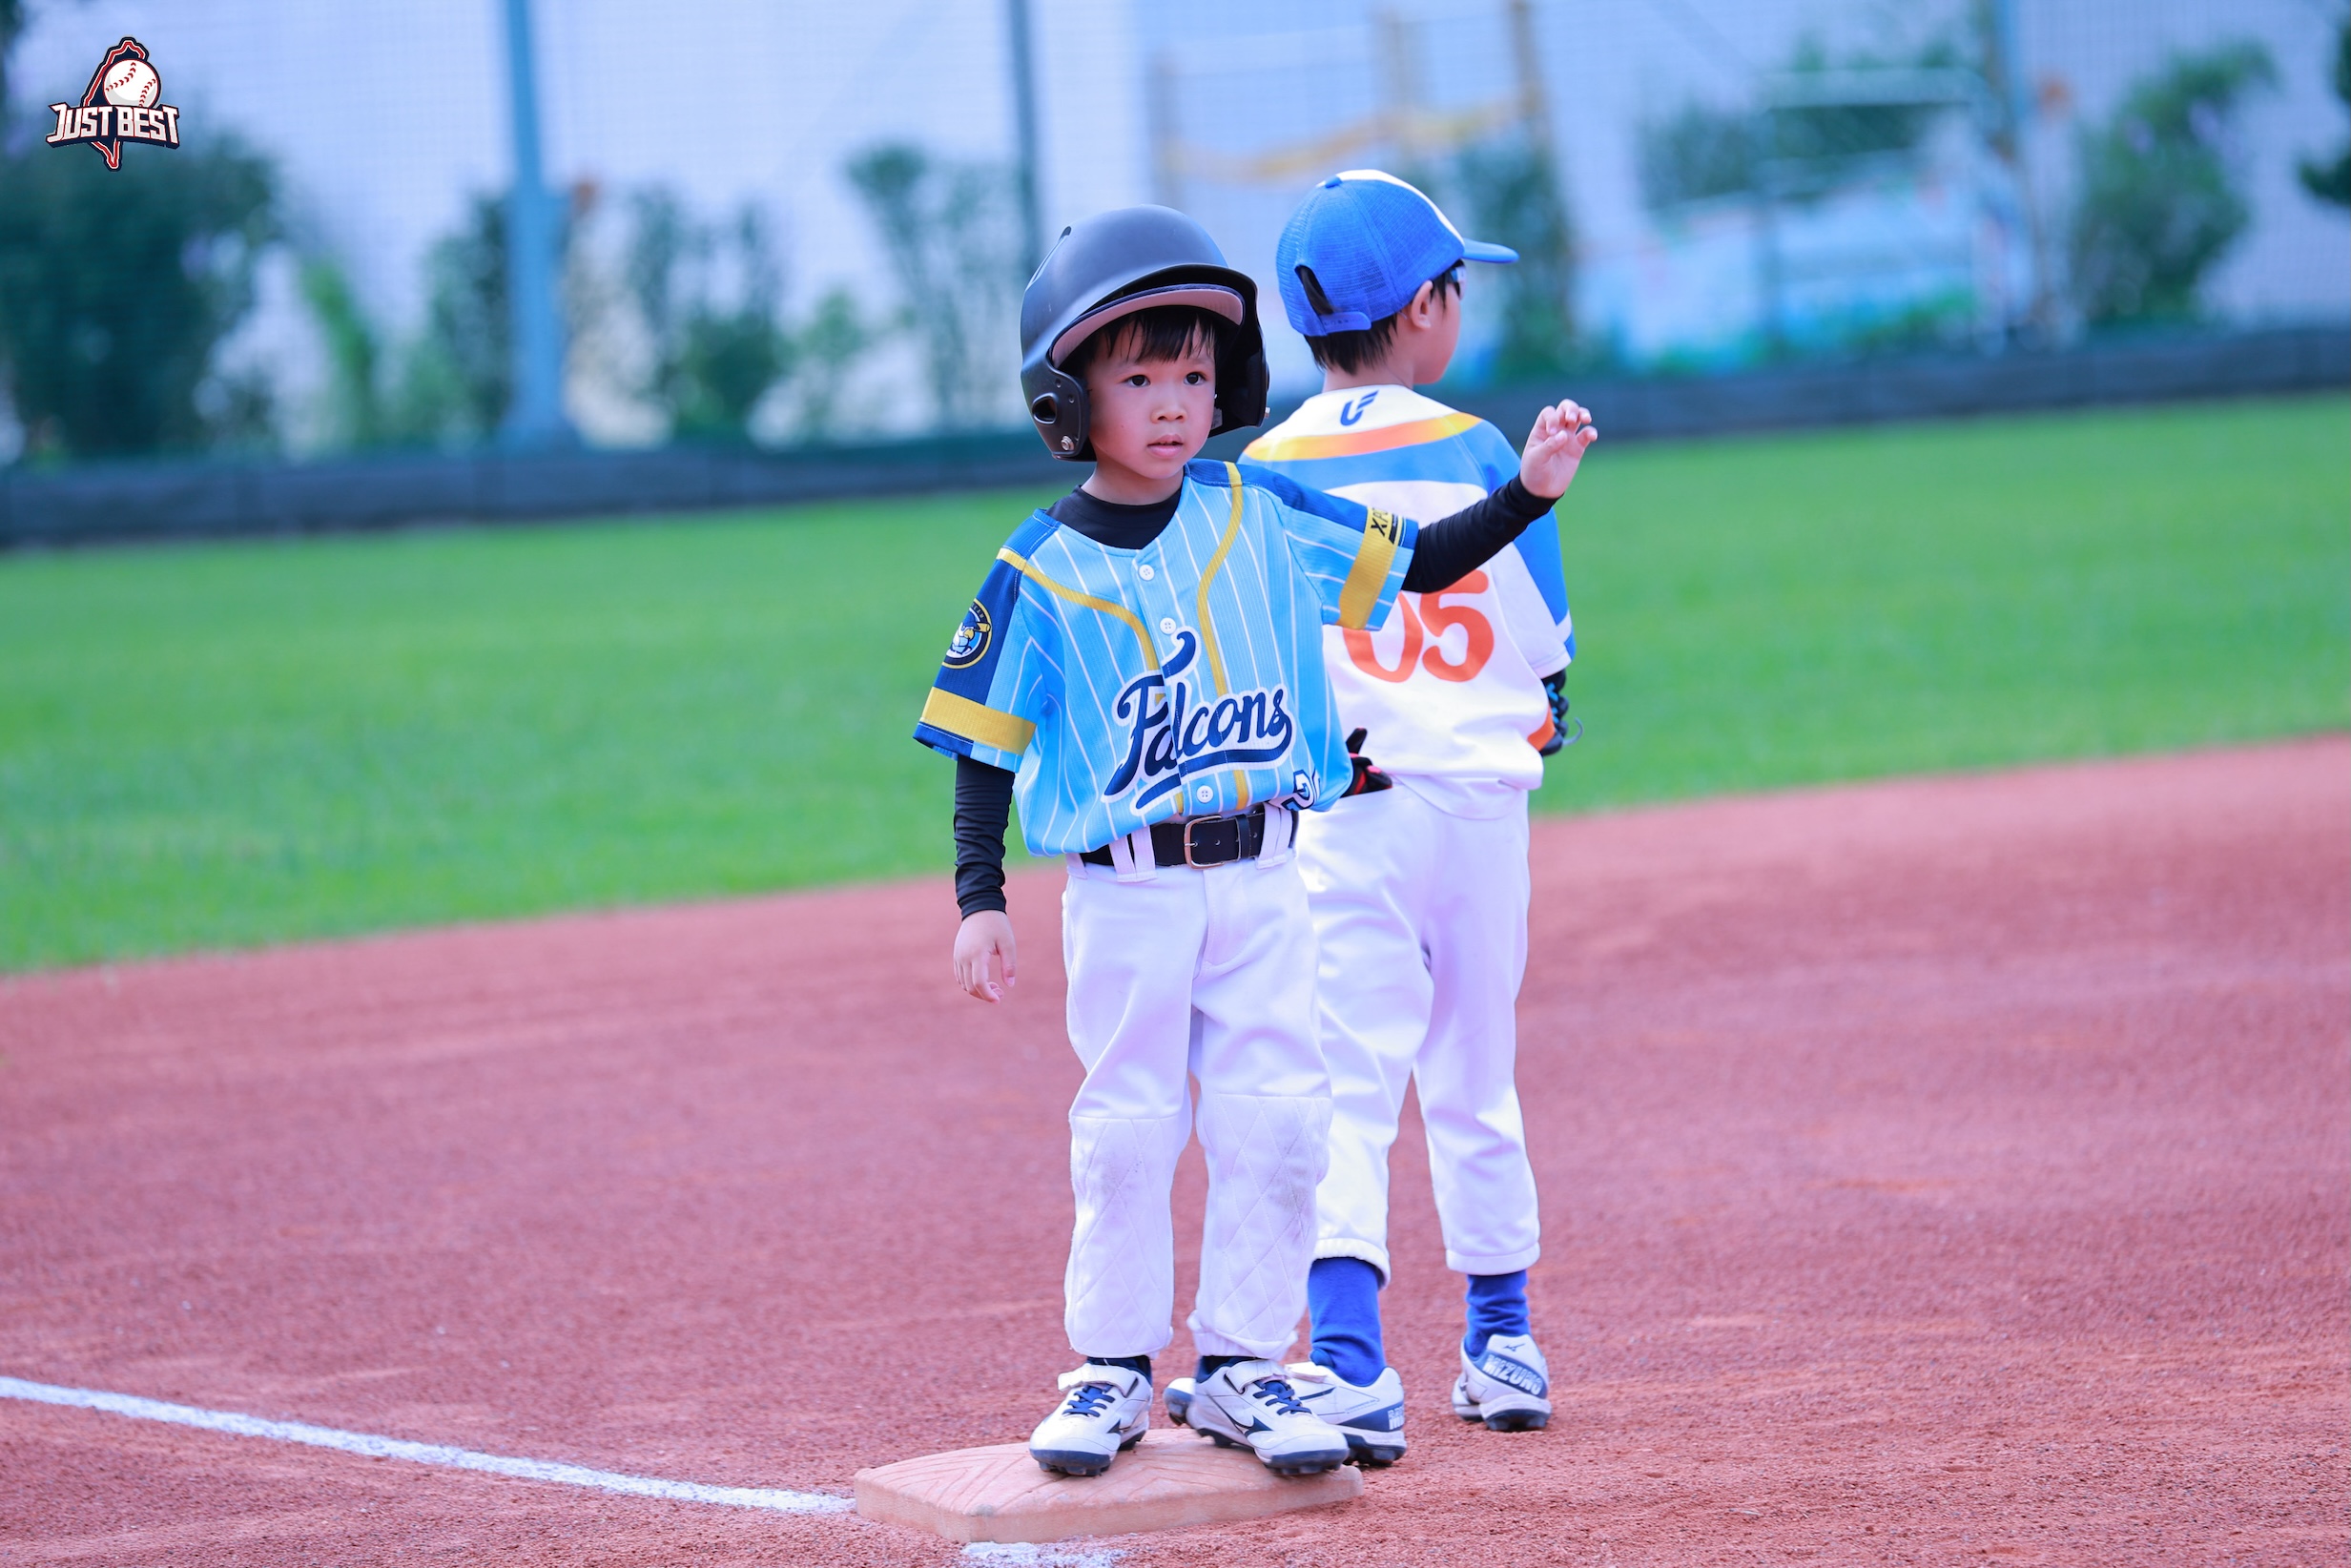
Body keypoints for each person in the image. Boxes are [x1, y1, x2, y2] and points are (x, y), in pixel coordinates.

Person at [914, 204, 1596, 1479]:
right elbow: (981, 740)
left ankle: (1237, 1366)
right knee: (1123, 1126)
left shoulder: (1263, 512)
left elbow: (1427, 566)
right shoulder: (1041, 565)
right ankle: (1112, 1369)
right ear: (1068, 399)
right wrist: (978, 893)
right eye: (1135, 377)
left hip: (1268, 873)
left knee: (1278, 1118)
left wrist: (1524, 493)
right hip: (1125, 892)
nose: (1171, 402)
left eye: (1190, 374)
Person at [1216, 170, 1578, 1464]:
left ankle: (1355, 1365)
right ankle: (1504, 1342)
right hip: (1482, 806)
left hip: (1350, 812)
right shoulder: (1483, 452)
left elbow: (1254, 658)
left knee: (1347, 1085)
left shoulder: (1258, 474)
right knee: (1477, 1075)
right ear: (1425, 308)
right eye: (1456, 286)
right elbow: (1545, 655)